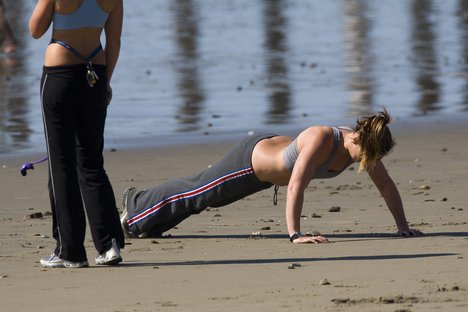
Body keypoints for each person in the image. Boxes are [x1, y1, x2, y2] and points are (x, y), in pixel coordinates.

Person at [121, 110, 423, 243]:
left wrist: (403, 227)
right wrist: (295, 234)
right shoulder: (323, 139)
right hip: (250, 161)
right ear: (359, 141)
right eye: (370, 159)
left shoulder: (362, 146)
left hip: (264, 175)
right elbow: (296, 185)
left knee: (205, 202)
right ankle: (134, 210)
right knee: (198, 191)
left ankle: (150, 226)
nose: (370, 166)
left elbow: (385, 184)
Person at [29, 0, 124, 268]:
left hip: (59, 77)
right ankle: (109, 244)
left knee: (62, 165)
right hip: (94, 76)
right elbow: (114, 41)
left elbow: (35, 30)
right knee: (92, 163)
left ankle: (70, 250)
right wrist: (106, 82)